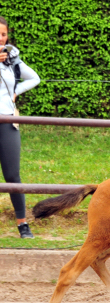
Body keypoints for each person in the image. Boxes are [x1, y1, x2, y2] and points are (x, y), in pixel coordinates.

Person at [0, 16, 40, 238]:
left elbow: (34, 78)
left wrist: (16, 92)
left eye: (3, 34)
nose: (0, 38)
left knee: (13, 175)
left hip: (7, 121)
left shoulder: (12, 60)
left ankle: (22, 223)